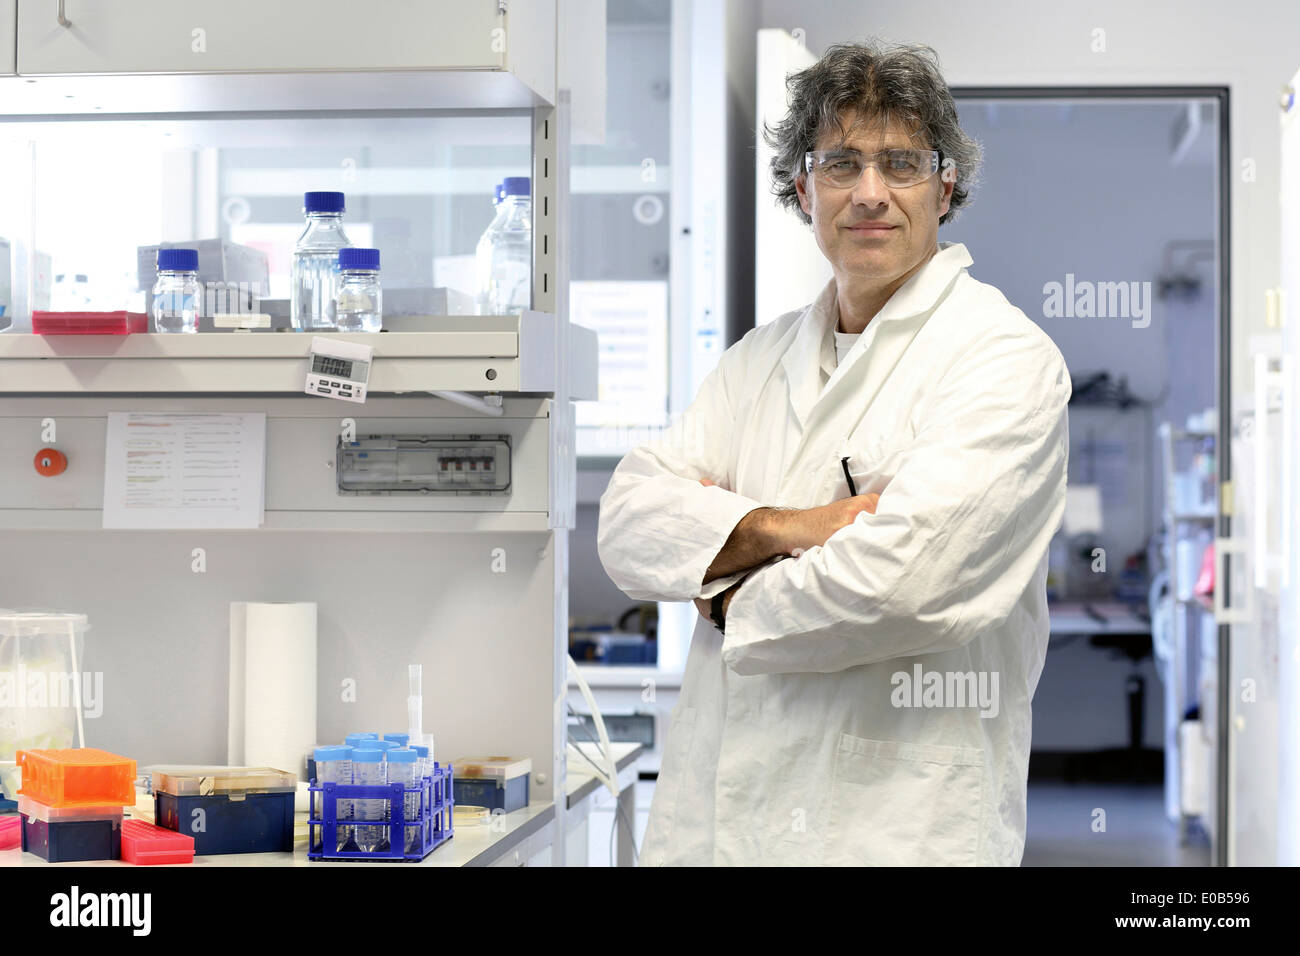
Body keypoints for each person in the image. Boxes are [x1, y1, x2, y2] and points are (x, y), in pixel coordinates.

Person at [597, 39, 1070, 866]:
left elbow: (903, 585)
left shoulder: (1003, 359)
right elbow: (630, 520)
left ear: (947, 184)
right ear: (801, 187)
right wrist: (794, 528)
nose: (871, 194)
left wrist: (721, 591)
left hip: (892, 829)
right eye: (842, 162)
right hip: (717, 825)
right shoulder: (757, 359)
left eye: (902, 162)